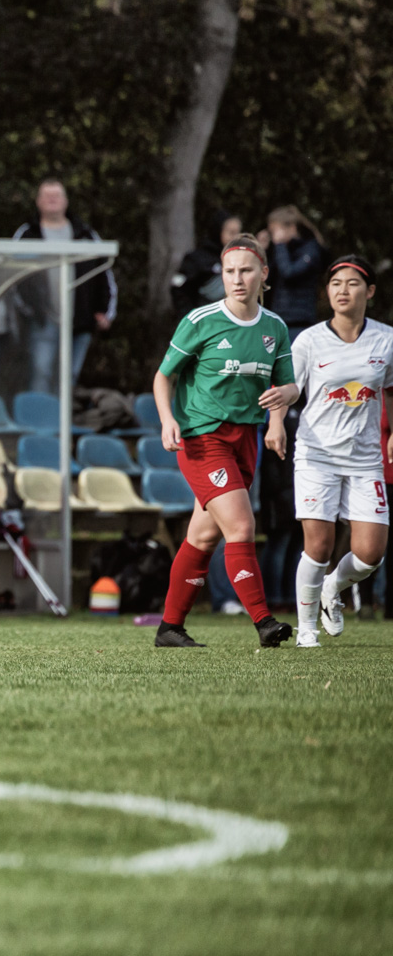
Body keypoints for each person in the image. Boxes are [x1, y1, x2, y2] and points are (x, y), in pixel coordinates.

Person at [151, 234, 298, 648]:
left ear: (263, 275)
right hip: (203, 439)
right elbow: (164, 376)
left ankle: (169, 629)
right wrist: (167, 421)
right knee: (241, 526)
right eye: (229, 271)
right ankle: (264, 622)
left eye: (246, 270)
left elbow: (286, 387)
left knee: (202, 536)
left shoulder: (275, 327)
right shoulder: (202, 321)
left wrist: (278, 417)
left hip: (245, 439)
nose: (237, 279)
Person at [289, 256, 393, 647]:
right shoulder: (309, 340)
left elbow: (391, 389)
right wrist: (278, 420)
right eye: (336, 284)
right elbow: (290, 388)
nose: (343, 290)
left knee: (370, 554)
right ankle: (306, 629)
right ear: (327, 293)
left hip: (366, 457)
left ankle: (333, 588)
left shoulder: (386, 339)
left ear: (369, 292)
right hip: (316, 455)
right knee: (318, 545)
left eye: (352, 283)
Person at [13, 178, 115, 392]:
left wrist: (104, 310)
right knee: (41, 372)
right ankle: (40, 422)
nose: (52, 200)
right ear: (38, 201)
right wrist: (29, 310)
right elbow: (13, 277)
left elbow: (103, 274)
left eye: (56, 195)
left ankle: (64, 423)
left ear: (65, 201)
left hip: (80, 320)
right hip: (43, 319)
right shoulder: (27, 234)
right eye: (47, 196)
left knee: (71, 375)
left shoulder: (85, 234)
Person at [264, 205, 327, 342]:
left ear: (291, 228)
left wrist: (279, 246)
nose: (274, 237)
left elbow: (289, 273)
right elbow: (265, 280)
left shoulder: (310, 250)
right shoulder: (282, 251)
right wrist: (261, 251)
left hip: (300, 322)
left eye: (275, 231)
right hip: (278, 321)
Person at [172, 210, 239, 313]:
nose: (235, 238)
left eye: (237, 233)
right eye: (231, 233)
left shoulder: (240, 258)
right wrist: (190, 318)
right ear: (217, 231)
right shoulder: (198, 258)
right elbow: (179, 289)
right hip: (204, 322)